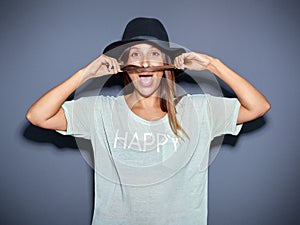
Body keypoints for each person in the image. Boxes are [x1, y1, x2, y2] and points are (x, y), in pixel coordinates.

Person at [26, 17, 270, 225]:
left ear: (167, 66)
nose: (144, 61)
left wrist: (212, 65)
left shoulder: (199, 109)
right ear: (126, 66)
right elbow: (38, 116)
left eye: (154, 53)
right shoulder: (100, 110)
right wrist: (85, 74)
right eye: (135, 54)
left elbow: (259, 106)